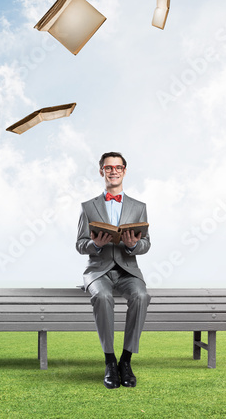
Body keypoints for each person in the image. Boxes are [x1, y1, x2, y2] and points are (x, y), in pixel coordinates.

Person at [75, 152, 151, 388]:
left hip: (128, 270)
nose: (114, 171)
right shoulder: (88, 207)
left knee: (141, 295)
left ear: (124, 171)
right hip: (99, 270)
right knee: (102, 295)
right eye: (109, 168)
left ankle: (126, 360)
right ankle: (110, 361)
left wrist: (133, 245)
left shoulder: (139, 207)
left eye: (118, 167)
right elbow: (79, 244)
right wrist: (95, 244)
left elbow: (146, 243)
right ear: (102, 172)